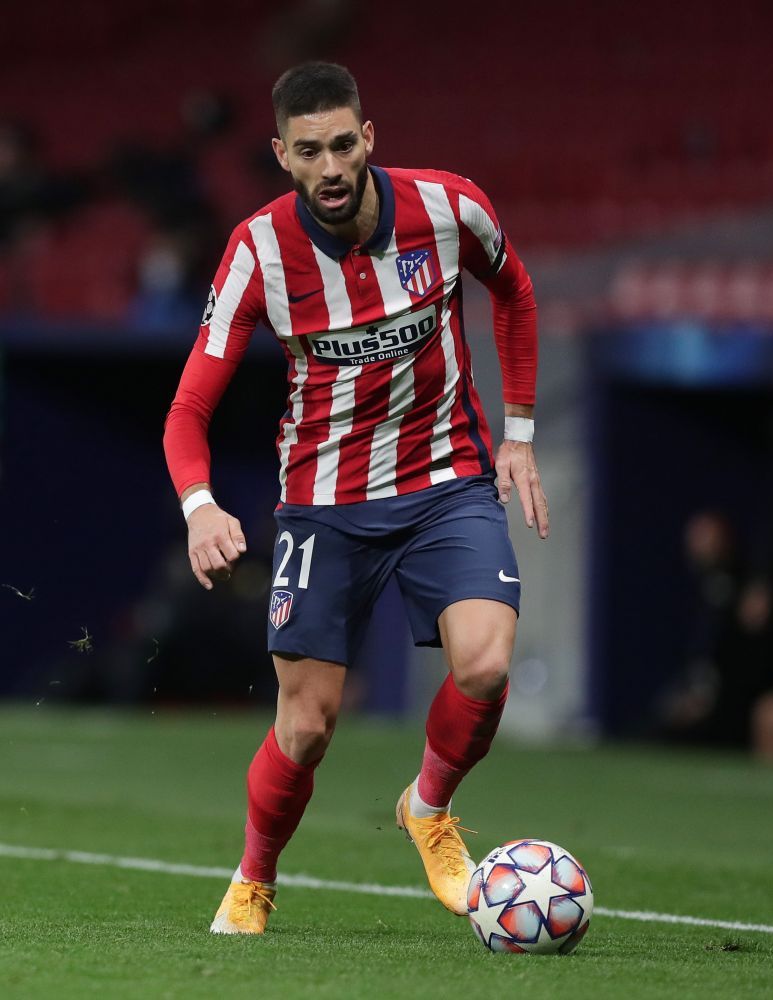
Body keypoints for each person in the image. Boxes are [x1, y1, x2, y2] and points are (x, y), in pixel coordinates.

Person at [163, 62, 547, 935]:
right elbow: (188, 409)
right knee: (306, 727)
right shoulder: (257, 250)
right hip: (323, 503)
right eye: (309, 151)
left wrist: (518, 432)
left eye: (343, 144)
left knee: (486, 665)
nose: (330, 166)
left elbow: (515, 292)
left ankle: (429, 807)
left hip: (444, 479)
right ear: (282, 156)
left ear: (368, 138)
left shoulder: (448, 209)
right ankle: (255, 877)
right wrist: (200, 505)